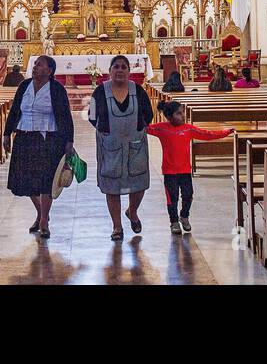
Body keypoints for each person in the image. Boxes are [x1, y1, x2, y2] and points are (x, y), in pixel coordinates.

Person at [2, 55, 75, 239]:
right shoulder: (24, 86)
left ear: (49, 71)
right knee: (26, 180)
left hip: (48, 139)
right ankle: (43, 213)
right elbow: (15, 111)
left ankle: (43, 222)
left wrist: (69, 141)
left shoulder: (56, 89)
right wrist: (6, 133)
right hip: (25, 137)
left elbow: (65, 115)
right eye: (34, 64)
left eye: (39, 65)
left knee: (45, 181)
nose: (35, 67)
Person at [88, 54, 153, 241]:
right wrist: (106, 132)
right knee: (112, 185)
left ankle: (132, 212)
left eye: (123, 67)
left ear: (129, 71)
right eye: (116, 67)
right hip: (110, 145)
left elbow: (148, 114)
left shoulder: (138, 90)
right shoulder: (99, 92)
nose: (120, 70)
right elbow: (92, 115)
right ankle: (116, 226)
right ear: (110, 71)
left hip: (136, 144)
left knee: (139, 182)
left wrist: (138, 130)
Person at [146, 101, 233, 233]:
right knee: (172, 197)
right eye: (179, 113)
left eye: (183, 112)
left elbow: (207, 135)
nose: (183, 116)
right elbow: (144, 128)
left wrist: (226, 132)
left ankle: (184, 216)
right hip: (169, 171)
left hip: (185, 170)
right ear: (169, 117)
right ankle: (174, 222)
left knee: (188, 195)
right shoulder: (161, 128)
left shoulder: (188, 129)